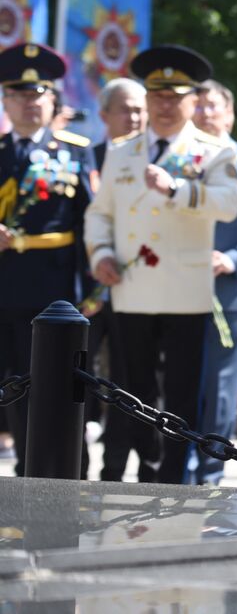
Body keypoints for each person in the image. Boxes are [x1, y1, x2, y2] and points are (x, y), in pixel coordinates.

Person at [84, 45, 237, 484]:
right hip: (132, 289)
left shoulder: (213, 151)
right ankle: (147, 467)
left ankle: (173, 477)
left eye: (176, 97)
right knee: (134, 390)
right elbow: (100, 213)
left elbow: (230, 204)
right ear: (147, 100)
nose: (166, 106)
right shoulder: (121, 152)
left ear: (194, 100)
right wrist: (100, 254)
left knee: (181, 393)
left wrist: (179, 189)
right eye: (158, 97)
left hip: (185, 292)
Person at [0, 43, 94, 475]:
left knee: (54, 386)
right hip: (3, 287)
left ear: (52, 100)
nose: (27, 104)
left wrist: (92, 291)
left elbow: (89, 223)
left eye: (36, 95)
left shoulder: (74, 151)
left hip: (51, 293)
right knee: (9, 386)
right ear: (5, 100)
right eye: (17, 95)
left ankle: (66, 473)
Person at [189, 79, 237, 483]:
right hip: (181, 291)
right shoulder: (179, 160)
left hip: (232, 292)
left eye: (212, 106)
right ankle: (180, 464)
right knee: (183, 381)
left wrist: (230, 259)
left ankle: (209, 471)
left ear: (230, 113)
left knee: (221, 389)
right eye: (197, 106)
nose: (203, 113)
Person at [88, 76, 149, 480]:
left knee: (131, 384)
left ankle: (117, 469)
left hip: (139, 291)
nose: (135, 117)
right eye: (126, 109)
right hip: (85, 294)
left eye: (140, 109)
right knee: (72, 376)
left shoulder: (157, 158)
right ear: (104, 114)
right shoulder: (83, 157)